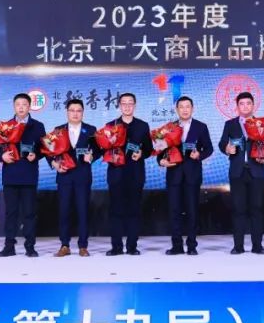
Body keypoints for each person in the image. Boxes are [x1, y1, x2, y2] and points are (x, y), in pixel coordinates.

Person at [159, 96, 213, 255]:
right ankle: (176, 246)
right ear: (176, 110)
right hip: (174, 174)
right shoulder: (169, 127)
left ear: (192, 108)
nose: (184, 109)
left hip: (192, 174)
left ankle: (192, 245)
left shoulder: (201, 127)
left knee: (192, 210)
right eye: (181, 107)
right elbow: (161, 149)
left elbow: (209, 148)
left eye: (187, 106)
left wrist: (199, 155)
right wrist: (160, 160)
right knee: (174, 211)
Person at [0, 93, 46, 258]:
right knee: (11, 213)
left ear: (29, 106)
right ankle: (9, 246)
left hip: (29, 174)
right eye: (18, 104)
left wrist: (36, 155)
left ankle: (30, 246)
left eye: (24, 104)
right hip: (10, 174)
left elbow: (44, 147)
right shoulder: (5, 126)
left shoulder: (38, 126)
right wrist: (1, 156)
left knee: (29, 213)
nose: (21, 107)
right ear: (14, 106)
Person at [218, 91, 264, 254]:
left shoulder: (261, 123)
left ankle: (257, 246)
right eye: (242, 104)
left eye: (248, 103)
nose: (245, 106)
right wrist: (227, 148)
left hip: (256, 170)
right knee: (238, 209)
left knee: (257, 209)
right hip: (237, 171)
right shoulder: (230, 124)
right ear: (237, 106)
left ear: (253, 105)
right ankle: (238, 246)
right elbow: (222, 143)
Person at [105, 92, 152, 256]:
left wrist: (141, 154)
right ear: (119, 106)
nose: (127, 106)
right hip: (116, 174)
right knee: (115, 211)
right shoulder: (110, 125)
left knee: (134, 211)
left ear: (135, 105)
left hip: (135, 173)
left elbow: (149, 149)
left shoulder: (143, 126)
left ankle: (132, 246)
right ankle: (116, 247)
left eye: (130, 103)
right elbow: (104, 148)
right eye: (123, 103)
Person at [50, 98, 99, 257]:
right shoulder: (58, 130)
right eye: (72, 110)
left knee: (83, 210)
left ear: (83, 112)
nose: (75, 114)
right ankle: (64, 245)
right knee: (64, 210)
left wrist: (92, 156)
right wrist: (54, 163)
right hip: (64, 175)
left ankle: (83, 246)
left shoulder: (91, 130)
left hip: (82, 176)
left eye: (79, 111)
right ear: (67, 112)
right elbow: (49, 150)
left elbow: (99, 149)